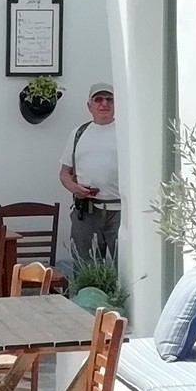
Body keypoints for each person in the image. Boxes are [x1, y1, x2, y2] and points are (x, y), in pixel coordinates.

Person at [60, 81, 120, 269]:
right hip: (86, 213)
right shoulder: (78, 133)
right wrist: (75, 188)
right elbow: (64, 173)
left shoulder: (126, 132)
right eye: (99, 99)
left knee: (126, 270)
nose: (105, 104)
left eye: (110, 100)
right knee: (85, 269)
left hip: (120, 213)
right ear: (89, 106)